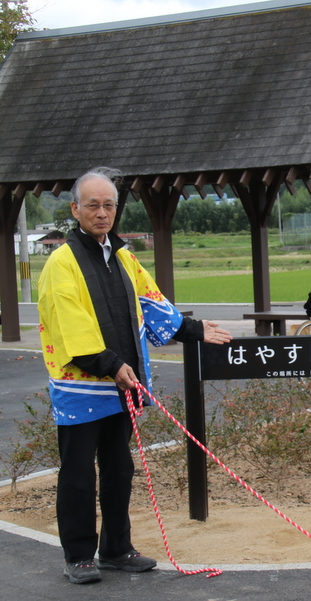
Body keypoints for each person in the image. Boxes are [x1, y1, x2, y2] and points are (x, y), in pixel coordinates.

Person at [38, 168, 233, 585]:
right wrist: (110, 364)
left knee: (119, 468)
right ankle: (78, 555)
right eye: (93, 205)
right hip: (83, 385)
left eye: (109, 205)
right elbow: (71, 323)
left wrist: (195, 330)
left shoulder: (123, 256)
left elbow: (152, 300)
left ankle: (116, 548)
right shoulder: (62, 263)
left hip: (122, 384)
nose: (102, 213)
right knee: (77, 472)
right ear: (76, 209)